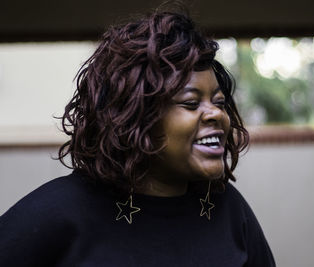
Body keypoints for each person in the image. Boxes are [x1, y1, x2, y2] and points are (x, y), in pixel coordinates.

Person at [0, 9, 275, 267]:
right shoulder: (60, 211)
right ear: (136, 116)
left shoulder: (228, 210)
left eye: (220, 102)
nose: (216, 113)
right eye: (191, 103)